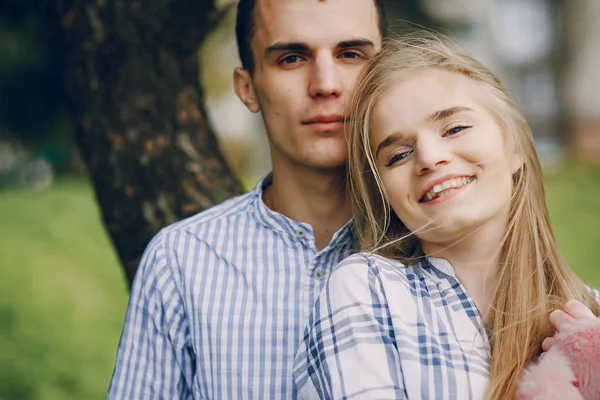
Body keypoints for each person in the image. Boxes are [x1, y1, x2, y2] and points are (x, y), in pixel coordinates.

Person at [293, 33, 600, 400]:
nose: (429, 157)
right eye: (398, 155)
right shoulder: (368, 293)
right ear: (385, 194)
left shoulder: (590, 319)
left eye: (454, 128)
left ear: (515, 146)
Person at [106, 0, 386, 399]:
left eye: (351, 54)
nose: (326, 83)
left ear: (386, 73)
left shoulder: (444, 245)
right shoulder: (179, 262)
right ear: (248, 88)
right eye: (291, 58)